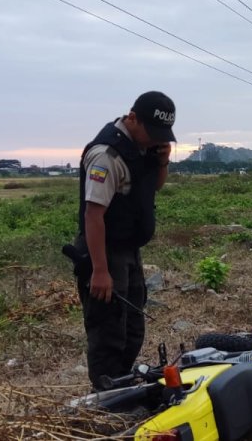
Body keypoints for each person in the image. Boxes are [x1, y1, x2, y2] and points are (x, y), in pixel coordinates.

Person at [72, 91, 175, 390]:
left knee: (132, 327)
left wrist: (162, 163)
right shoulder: (107, 155)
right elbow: (93, 216)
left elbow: (153, 187)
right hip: (103, 251)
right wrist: (99, 271)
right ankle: (106, 397)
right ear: (132, 118)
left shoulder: (142, 148)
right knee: (108, 331)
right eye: (152, 132)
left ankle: (121, 386)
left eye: (161, 135)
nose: (156, 140)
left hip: (128, 249)